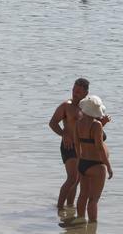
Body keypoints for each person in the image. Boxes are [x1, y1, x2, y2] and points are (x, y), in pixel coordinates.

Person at [61, 95, 112, 226]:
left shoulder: (78, 123)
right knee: (94, 199)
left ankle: (80, 219)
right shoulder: (96, 125)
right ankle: (93, 225)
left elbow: (77, 144)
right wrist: (109, 166)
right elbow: (100, 148)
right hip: (97, 165)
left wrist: (79, 161)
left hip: (83, 163)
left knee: (83, 195)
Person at [49, 78, 90, 209]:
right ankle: (59, 208)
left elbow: (93, 125)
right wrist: (63, 134)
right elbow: (53, 123)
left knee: (77, 180)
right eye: (73, 90)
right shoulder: (66, 106)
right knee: (72, 177)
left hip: (82, 147)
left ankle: (70, 206)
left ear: (85, 93)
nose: (74, 93)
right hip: (69, 145)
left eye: (78, 91)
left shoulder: (88, 107)